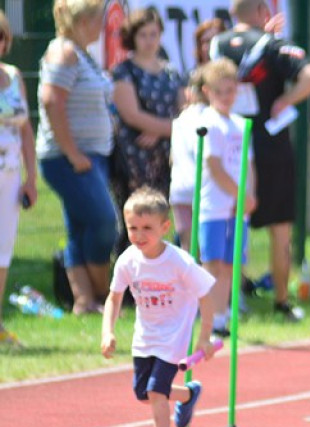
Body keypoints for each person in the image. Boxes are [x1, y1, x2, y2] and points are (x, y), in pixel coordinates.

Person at [211, 0, 310, 322]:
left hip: (229, 142)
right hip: (269, 143)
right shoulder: (272, 45)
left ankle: (231, 298)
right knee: (280, 230)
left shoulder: (217, 45)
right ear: (262, 12)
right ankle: (282, 301)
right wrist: (286, 99)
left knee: (230, 220)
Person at [101, 187, 217, 427]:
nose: (139, 235)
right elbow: (114, 297)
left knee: (155, 393)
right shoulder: (128, 260)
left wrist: (204, 337)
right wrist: (108, 331)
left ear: (165, 227)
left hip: (173, 336)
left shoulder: (179, 262)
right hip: (145, 336)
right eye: (133, 228)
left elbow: (205, 295)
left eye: (147, 228)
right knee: (143, 392)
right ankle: (188, 395)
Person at [37, 0, 119, 316]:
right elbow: (50, 100)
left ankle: (84, 301)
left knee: (81, 227)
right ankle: (103, 294)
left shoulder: (81, 54)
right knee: (103, 222)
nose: (102, 26)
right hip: (69, 158)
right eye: (98, 19)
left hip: (89, 155)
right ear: (83, 21)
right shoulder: (64, 52)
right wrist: (72, 152)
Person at [110, 8, 185, 236]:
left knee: (160, 215)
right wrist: (168, 129)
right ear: (132, 37)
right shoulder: (124, 71)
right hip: (135, 158)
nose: (149, 40)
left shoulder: (171, 71)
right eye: (143, 34)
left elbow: (184, 110)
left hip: (167, 156)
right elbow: (131, 114)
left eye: (154, 34)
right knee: (136, 217)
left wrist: (161, 132)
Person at [198, 58, 256, 338]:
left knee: (231, 265)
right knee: (213, 264)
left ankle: (221, 316)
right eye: (220, 91)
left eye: (231, 90)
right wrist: (238, 194)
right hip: (215, 206)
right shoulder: (209, 123)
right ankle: (209, 319)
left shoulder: (241, 125)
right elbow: (214, 166)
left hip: (238, 207)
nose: (226, 97)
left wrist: (249, 195)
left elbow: (249, 163)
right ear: (207, 91)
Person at [0, 10, 37, 348]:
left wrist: (31, 178)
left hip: (10, 177)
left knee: (3, 252)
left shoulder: (13, 75)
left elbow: (25, 129)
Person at [169, 71, 207, 251]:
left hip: (180, 189)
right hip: (204, 190)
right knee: (209, 252)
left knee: (188, 250)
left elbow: (172, 157)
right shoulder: (211, 118)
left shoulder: (180, 119)